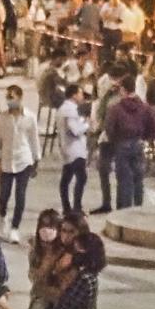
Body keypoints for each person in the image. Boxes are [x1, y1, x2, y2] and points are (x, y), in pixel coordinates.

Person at [0, 84, 40, 244]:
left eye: (11, 97)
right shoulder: (2, 117)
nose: (9, 100)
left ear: (20, 97)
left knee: (20, 195)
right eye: (7, 97)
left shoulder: (30, 117)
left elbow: (34, 139)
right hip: (6, 160)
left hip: (24, 160)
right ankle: (3, 216)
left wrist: (36, 159)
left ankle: (14, 228)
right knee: (3, 196)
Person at [105, 73, 155, 210]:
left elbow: (110, 128)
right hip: (138, 143)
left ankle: (124, 210)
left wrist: (114, 141)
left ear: (123, 89)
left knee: (124, 180)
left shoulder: (115, 108)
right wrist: (144, 138)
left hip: (122, 144)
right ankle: (138, 208)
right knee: (138, 179)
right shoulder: (145, 107)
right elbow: (152, 126)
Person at [89, 64, 127, 214]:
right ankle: (106, 202)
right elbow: (100, 112)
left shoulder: (125, 97)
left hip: (120, 139)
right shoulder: (107, 95)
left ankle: (120, 203)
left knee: (120, 171)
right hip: (106, 137)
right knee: (103, 169)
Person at [58, 83, 90, 214]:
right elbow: (74, 130)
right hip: (75, 149)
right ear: (74, 95)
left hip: (68, 148)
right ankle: (76, 207)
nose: (82, 96)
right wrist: (87, 125)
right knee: (81, 177)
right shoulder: (69, 110)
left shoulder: (64, 108)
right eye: (80, 93)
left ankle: (67, 207)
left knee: (66, 178)